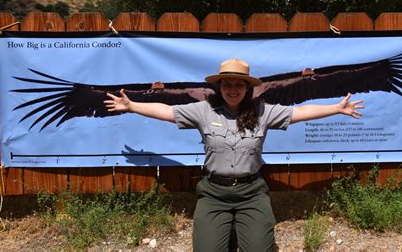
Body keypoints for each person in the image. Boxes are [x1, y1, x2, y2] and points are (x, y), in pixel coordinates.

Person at [104, 58, 364, 251]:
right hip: (214, 193)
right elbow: (166, 111)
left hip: (251, 193)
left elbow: (299, 114)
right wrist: (132, 105)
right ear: (219, 86)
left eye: (238, 84)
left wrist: (336, 108)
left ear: (246, 87)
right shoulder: (203, 110)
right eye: (227, 84)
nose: (232, 89)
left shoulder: (263, 111)